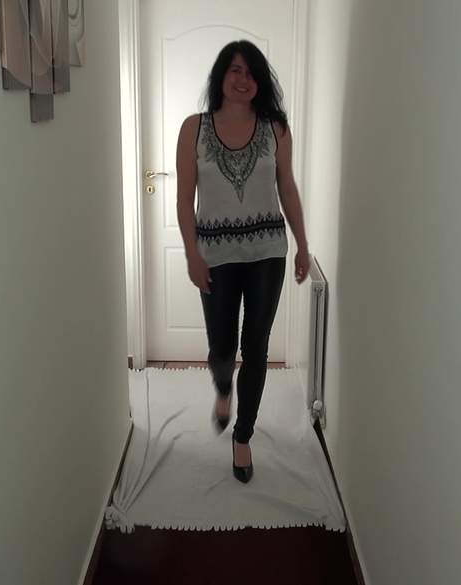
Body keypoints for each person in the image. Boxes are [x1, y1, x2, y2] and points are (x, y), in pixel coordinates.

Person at [175, 40, 310, 484]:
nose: (243, 79)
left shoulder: (276, 129)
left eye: (251, 72)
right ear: (221, 75)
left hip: (266, 254)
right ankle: (222, 389)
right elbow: (184, 199)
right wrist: (192, 253)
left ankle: (243, 435)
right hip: (215, 256)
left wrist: (302, 244)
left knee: (256, 348)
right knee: (221, 347)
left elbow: (287, 187)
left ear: (260, 81)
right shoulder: (194, 129)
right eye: (235, 70)